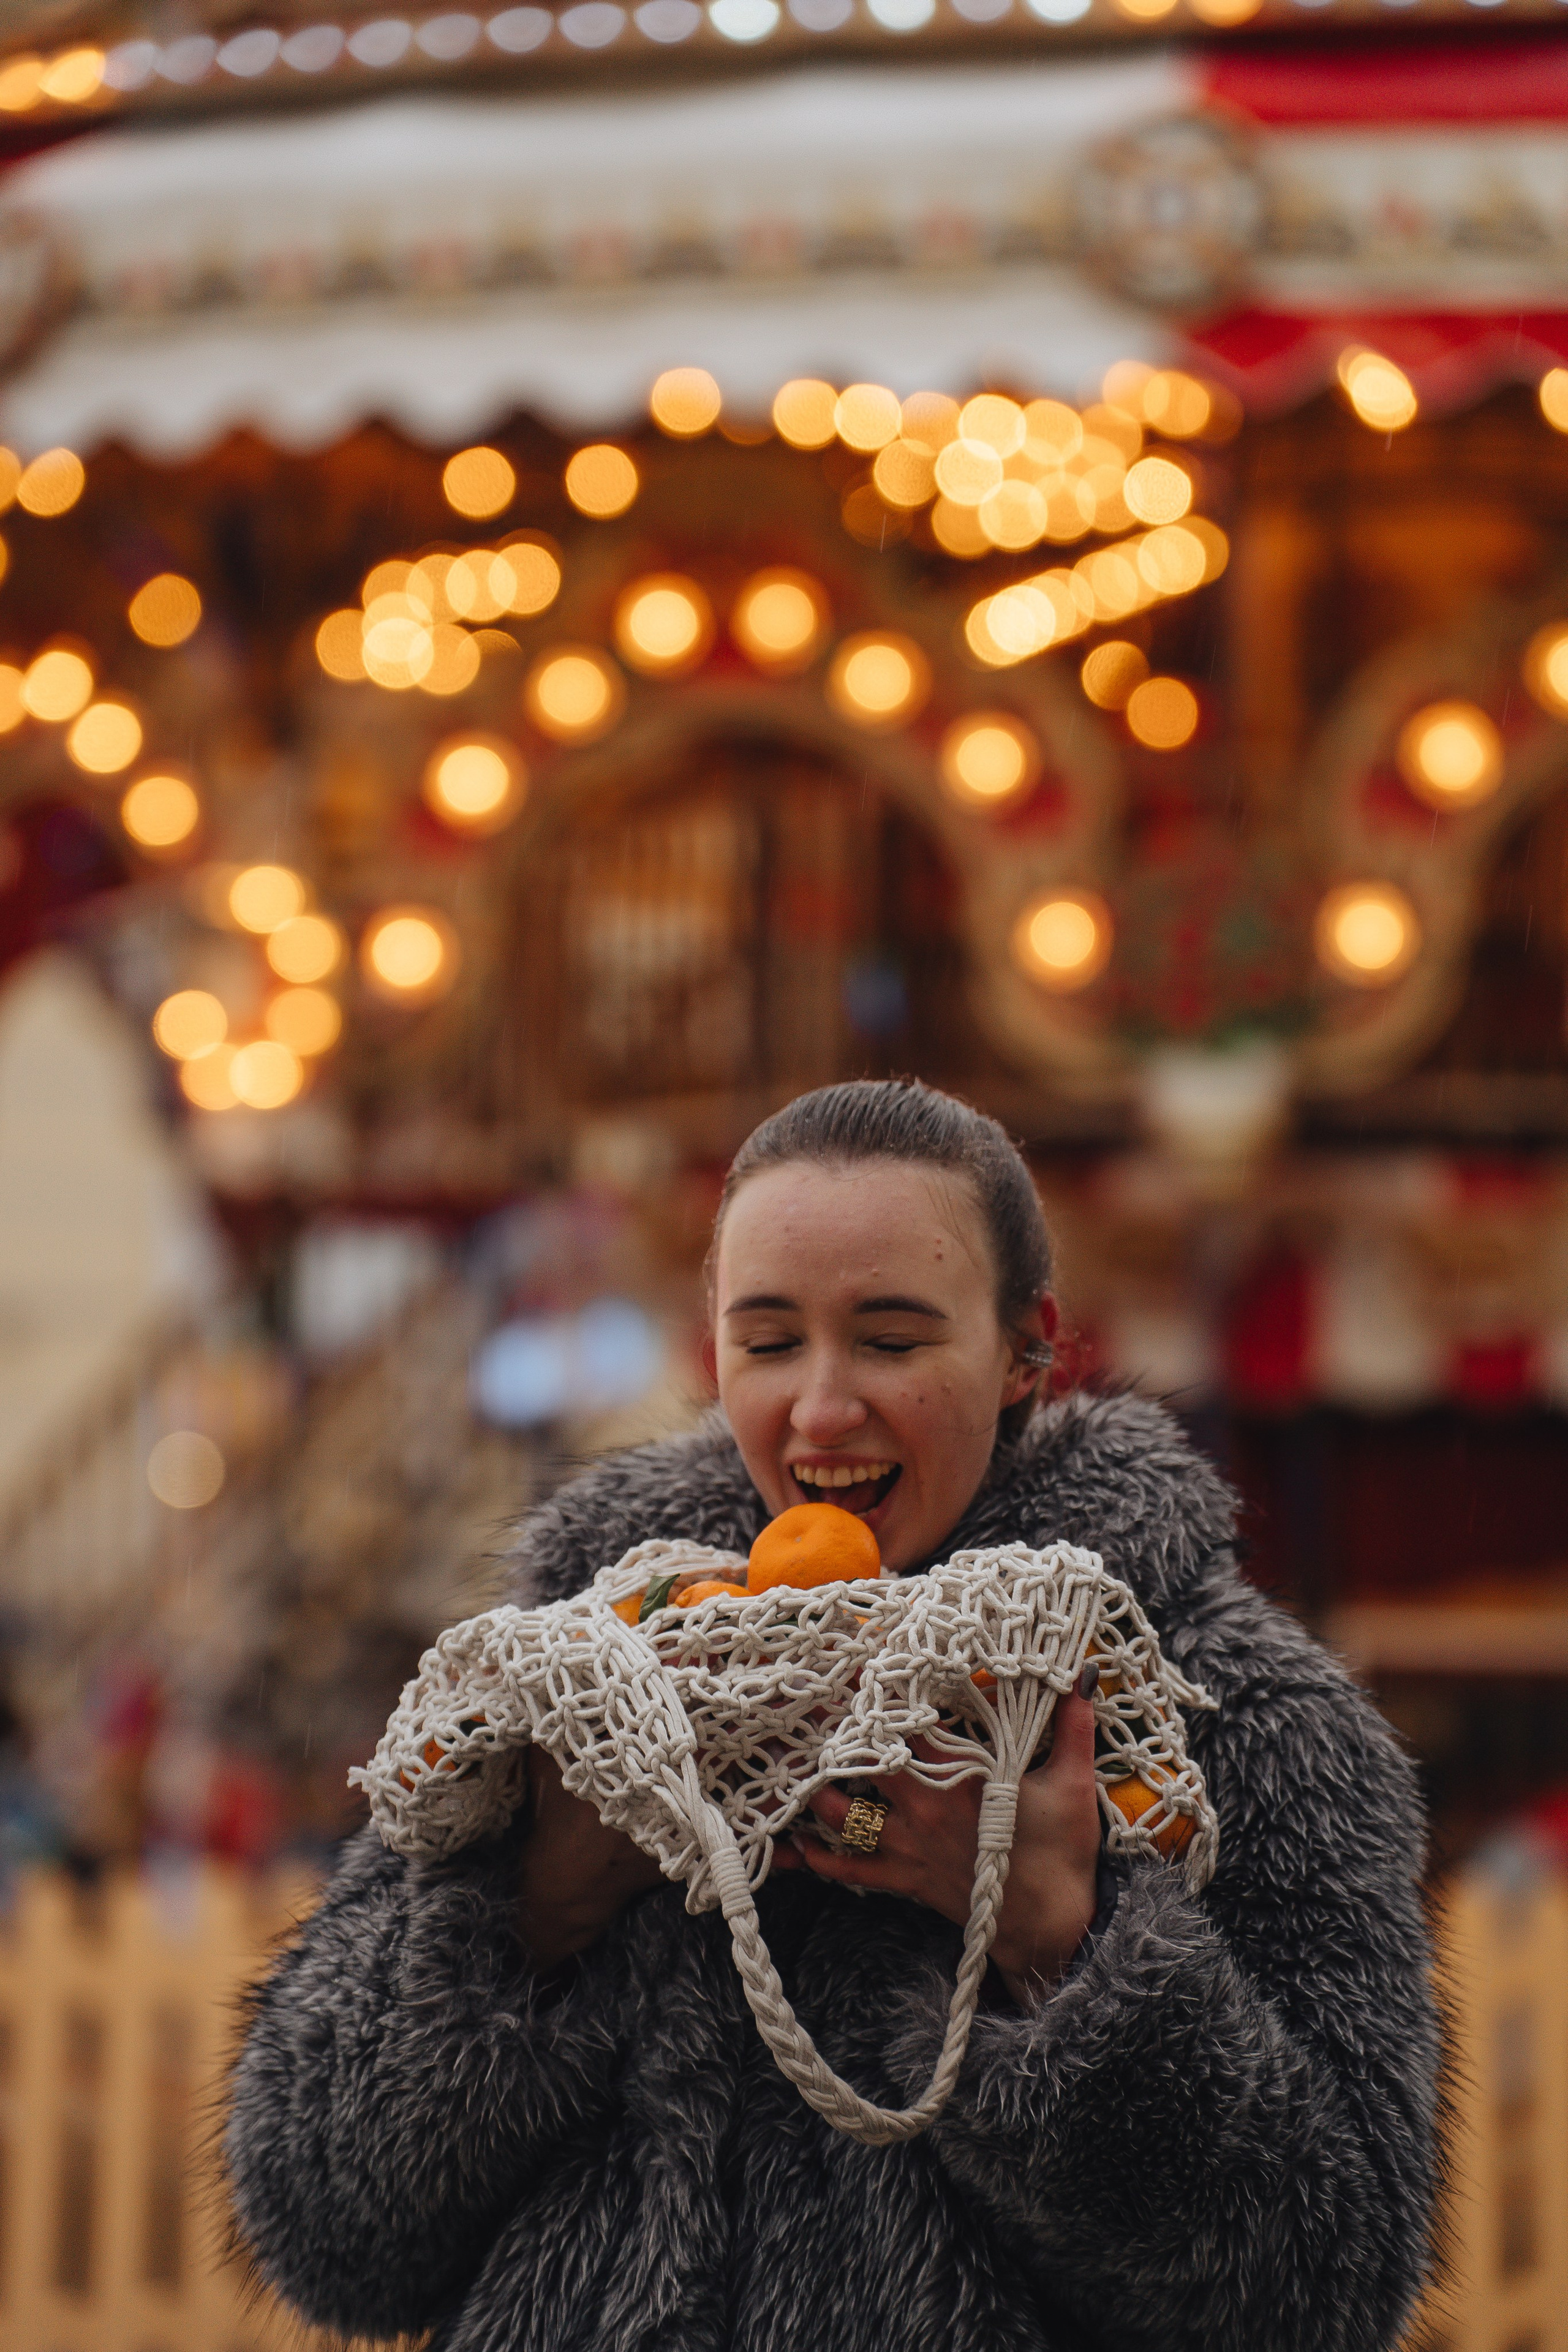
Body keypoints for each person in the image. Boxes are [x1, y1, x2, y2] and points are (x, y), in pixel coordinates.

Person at [227, 1079, 1439, 2352]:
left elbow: (1323, 2292)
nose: (819, 1410)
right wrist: (544, 1904)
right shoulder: (568, 1680)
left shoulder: (1229, 1712)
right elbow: (325, 2234)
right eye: (768, 1343)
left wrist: (1055, 1947)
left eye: (891, 1341)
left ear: (1026, 1350)